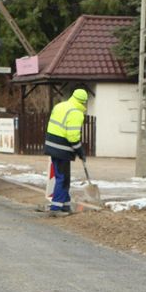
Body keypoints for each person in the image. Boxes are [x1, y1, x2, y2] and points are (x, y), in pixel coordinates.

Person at [43, 88, 88, 216]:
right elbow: (72, 136)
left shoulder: (60, 106)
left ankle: (65, 205)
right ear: (83, 102)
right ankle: (56, 207)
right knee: (62, 178)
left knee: (62, 176)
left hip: (52, 145)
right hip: (62, 148)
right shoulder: (76, 112)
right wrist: (80, 151)